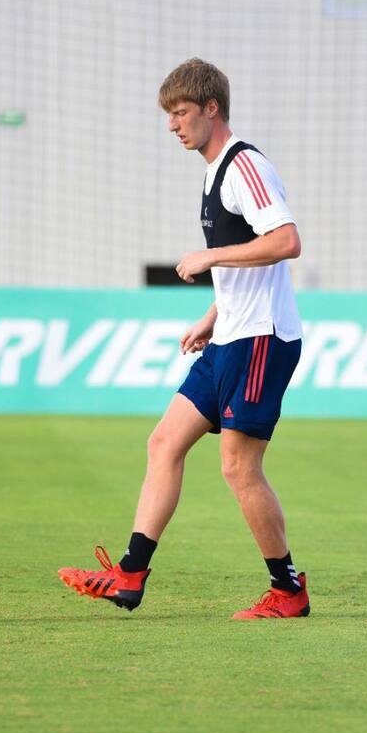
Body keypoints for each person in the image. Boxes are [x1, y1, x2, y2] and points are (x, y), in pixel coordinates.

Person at [58, 58, 308, 619]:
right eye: (169, 114)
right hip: (231, 336)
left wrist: (209, 258)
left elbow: (286, 241)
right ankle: (129, 575)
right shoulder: (213, 173)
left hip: (262, 340)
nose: (173, 124)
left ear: (211, 108)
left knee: (238, 468)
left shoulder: (245, 165)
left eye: (181, 111)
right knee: (164, 443)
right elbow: (251, 258)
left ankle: (288, 590)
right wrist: (214, 314)